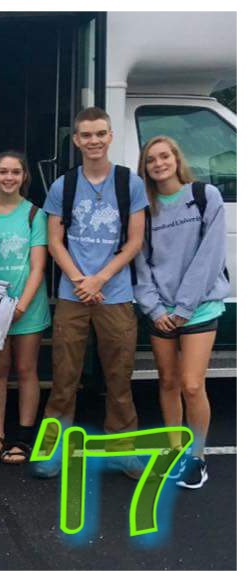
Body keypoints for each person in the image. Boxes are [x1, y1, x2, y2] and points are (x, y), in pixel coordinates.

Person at [34, 106, 148, 480]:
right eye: (86, 135)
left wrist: (100, 279)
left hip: (116, 294)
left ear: (110, 136)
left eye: (100, 133)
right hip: (73, 295)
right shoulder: (63, 186)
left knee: (119, 377)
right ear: (76, 140)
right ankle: (52, 450)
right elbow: (54, 241)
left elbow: (134, 242)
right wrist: (81, 280)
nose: (94, 140)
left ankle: (122, 450)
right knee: (64, 378)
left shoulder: (129, 183)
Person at [134, 136, 229, 489]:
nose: (159, 164)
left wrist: (185, 308)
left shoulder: (205, 197)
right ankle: (175, 451)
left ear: (176, 159)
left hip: (199, 309)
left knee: (191, 384)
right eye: (151, 159)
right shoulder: (144, 210)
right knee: (168, 382)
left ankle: (197, 457)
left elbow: (210, 256)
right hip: (161, 311)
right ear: (145, 168)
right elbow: (140, 263)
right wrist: (155, 308)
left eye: (165, 156)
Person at [0, 152, 51, 465]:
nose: (9, 178)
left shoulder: (35, 215)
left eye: (15, 172)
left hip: (27, 306)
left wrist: (20, 307)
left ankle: (22, 437)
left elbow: (38, 267)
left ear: (24, 177)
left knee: (26, 370)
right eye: (3, 172)